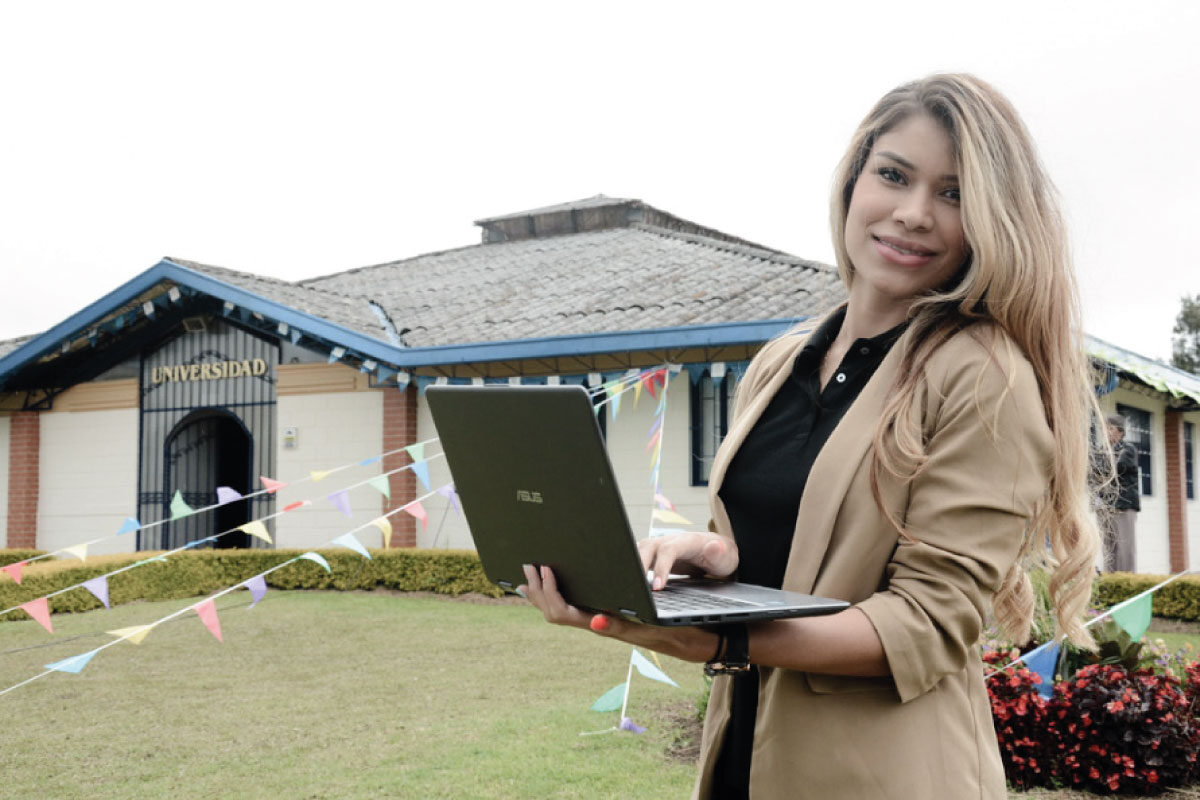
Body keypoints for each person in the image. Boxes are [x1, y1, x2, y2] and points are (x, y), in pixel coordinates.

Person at [520, 73, 1102, 799]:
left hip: (887, 774)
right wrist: (712, 560)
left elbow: (926, 624)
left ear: (991, 219)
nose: (915, 213)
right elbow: (798, 552)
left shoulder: (982, 374)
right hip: (747, 754)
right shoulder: (779, 361)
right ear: (854, 181)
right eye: (894, 175)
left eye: (953, 194)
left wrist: (717, 637)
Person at [1102, 413, 1140, 572]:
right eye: (1105, 428)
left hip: (1124, 505)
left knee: (1125, 548)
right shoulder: (1103, 449)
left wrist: (1102, 469)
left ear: (1120, 431)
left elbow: (1116, 468)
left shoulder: (1128, 449)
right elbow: (1093, 473)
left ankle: (1128, 581)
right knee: (1109, 548)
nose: (1106, 432)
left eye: (1110, 428)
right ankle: (1111, 582)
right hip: (1107, 505)